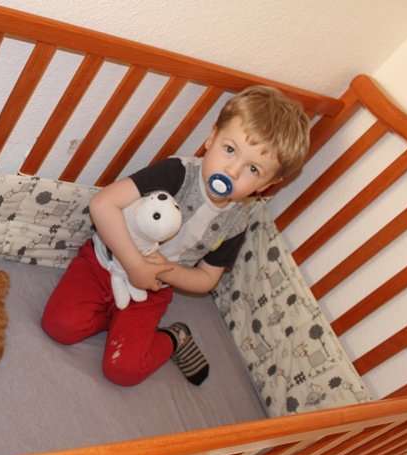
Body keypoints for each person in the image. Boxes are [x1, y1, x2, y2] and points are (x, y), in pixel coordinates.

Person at [41, 85, 310, 387]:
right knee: (59, 326)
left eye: (253, 169)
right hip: (104, 262)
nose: (232, 171)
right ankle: (116, 318)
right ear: (212, 137)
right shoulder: (177, 173)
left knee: (123, 371)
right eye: (229, 150)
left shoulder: (236, 222)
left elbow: (207, 280)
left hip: (153, 288)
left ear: (267, 184)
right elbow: (102, 204)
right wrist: (135, 265)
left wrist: (164, 272)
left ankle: (173, 338)